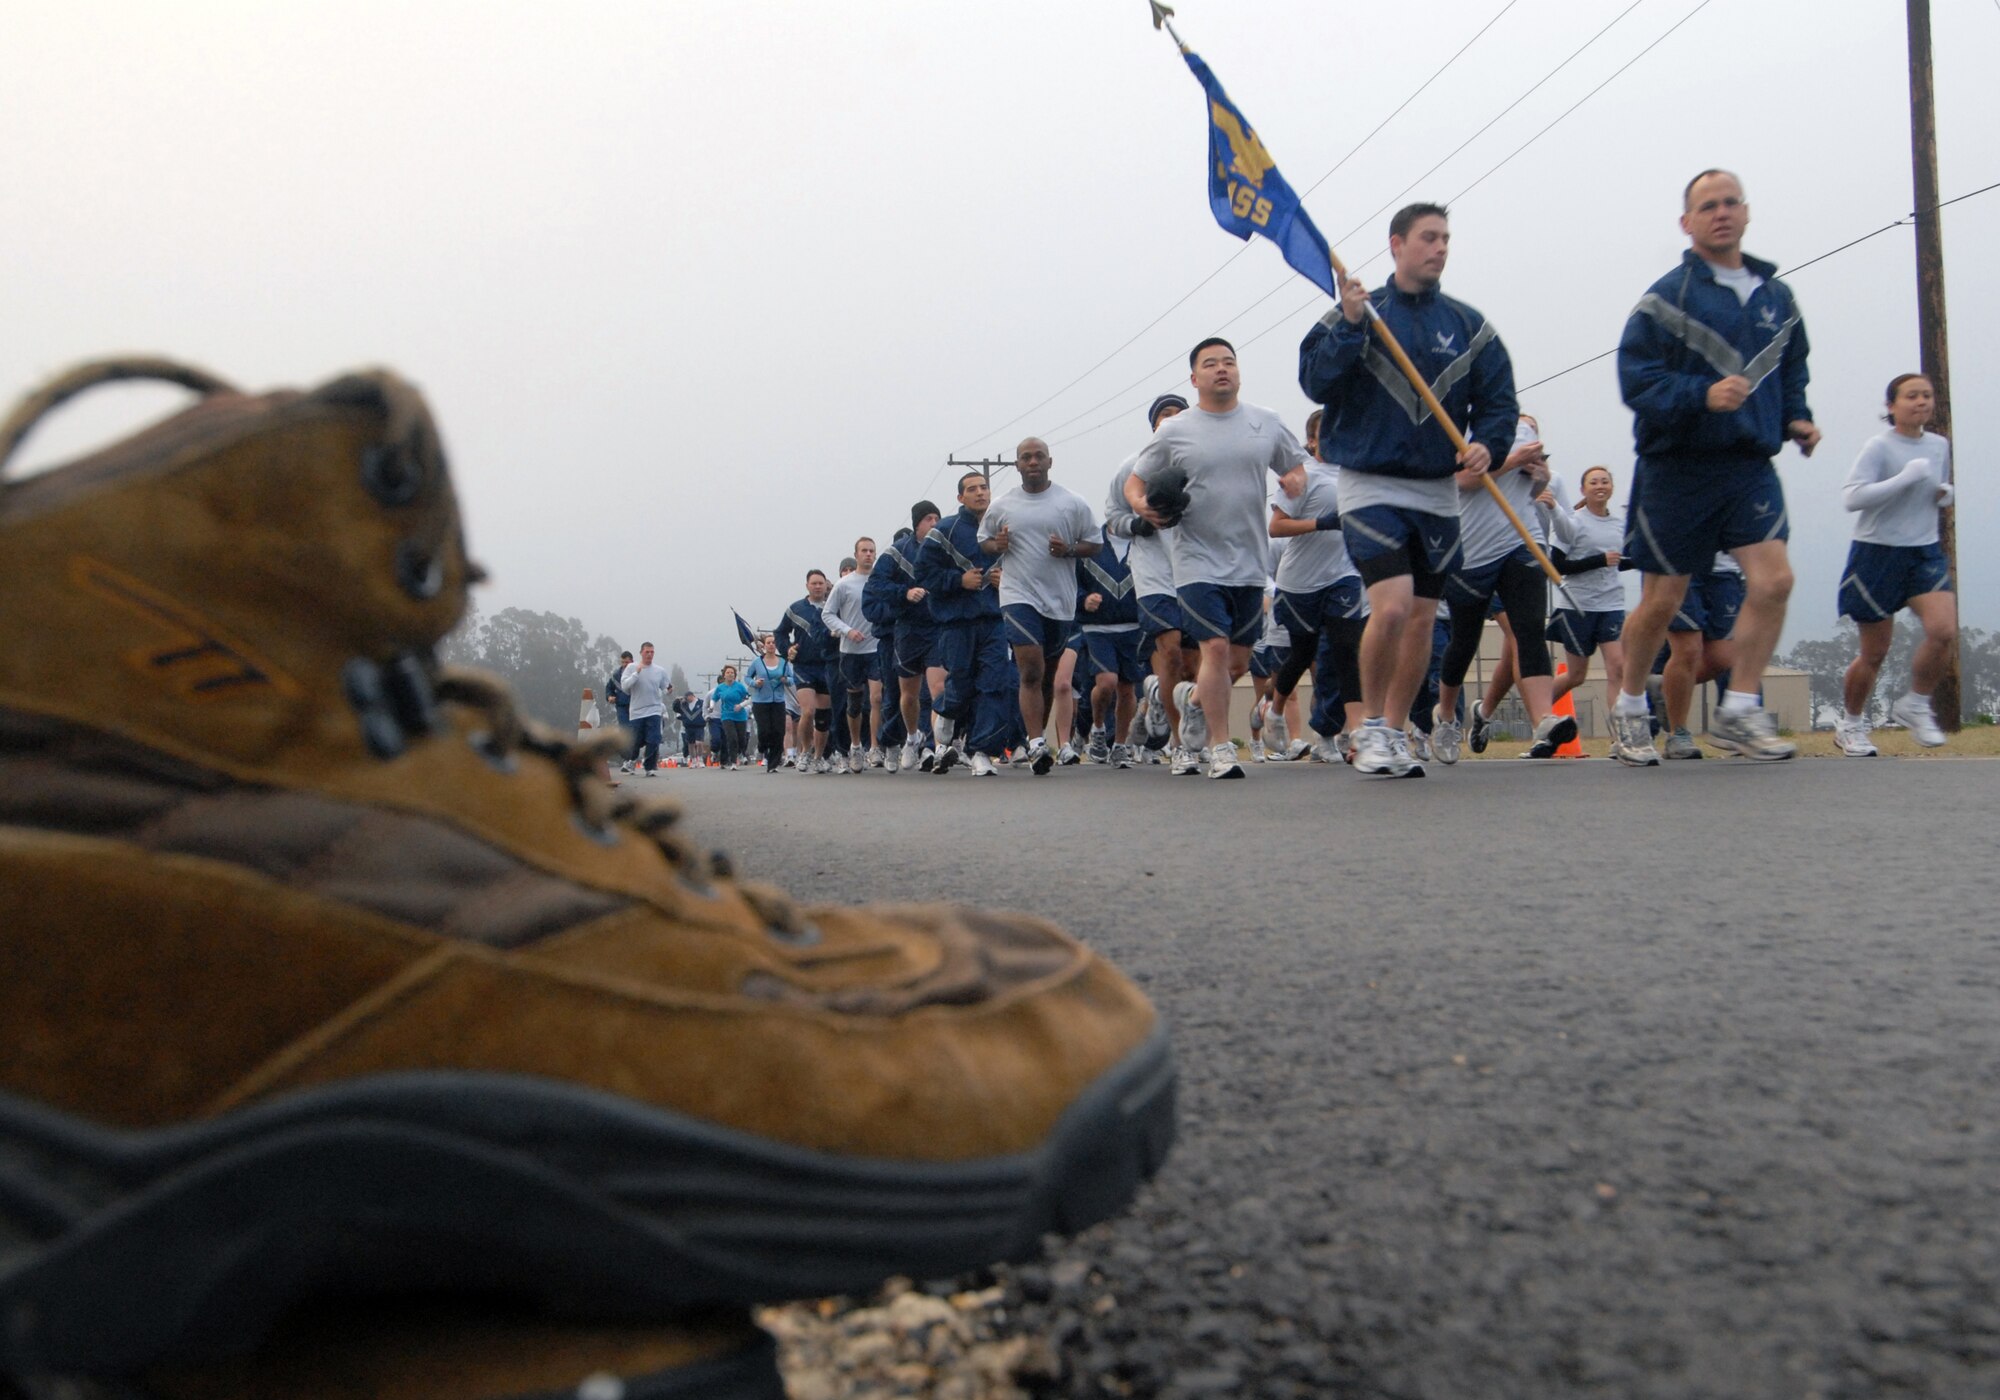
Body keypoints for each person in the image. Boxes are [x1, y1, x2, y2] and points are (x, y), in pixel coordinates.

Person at [1299, 201, 1519, 778]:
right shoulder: (1358, 313)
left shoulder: (1471, 327)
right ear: (1396, 244)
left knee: (1423, 616)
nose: (1440, 247)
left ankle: (1395, 730)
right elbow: (1314, 379)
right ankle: (1368, 726)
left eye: (1446, 238)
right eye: (1428, 237)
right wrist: (1349, 326)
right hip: (1370, 483)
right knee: (1391, 605)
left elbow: (1498, 404)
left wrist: (1488, 446)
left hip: (1437, 490)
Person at [1608, 168, 1818, 765]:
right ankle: (1627, 706)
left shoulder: (1776, 298)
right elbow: (1637, 380)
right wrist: (1701, 395)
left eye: (1730, 203)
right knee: (1662, 602)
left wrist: (1796, 418)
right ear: (1687, 222)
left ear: (1746, 213)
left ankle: (1740, 710)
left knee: (1775, 579)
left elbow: (1792, 370)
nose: (1721, 213)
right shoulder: (1666, 298)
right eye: (1707, 206)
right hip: (1677, 465)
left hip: (1748, 463)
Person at [1128, 338, 1307, 780]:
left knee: (1236, 664)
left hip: (1249, 560)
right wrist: (1141, 506)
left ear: (1239, 372)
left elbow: (1295, 465)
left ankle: (1190, 701)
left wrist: (1293, 480)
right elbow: (1136, 481)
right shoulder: (1176, 430)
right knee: (1214, 646)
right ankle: (1221, 746)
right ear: (1194, 379)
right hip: (1195, 559)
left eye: (1229, 362)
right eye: (1210, 364)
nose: (1221, 369)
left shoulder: (1265, 423)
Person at [1430, 414, 1575, 763]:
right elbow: (1461, 481)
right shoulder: (1453, 431)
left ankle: (1543, 719)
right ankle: (1446, 715)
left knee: (1529, 631)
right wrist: (1512, 462)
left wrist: (1539, 479)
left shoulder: (1521, 430)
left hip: (1521, 540)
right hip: (1471, 551)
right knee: (1464, 641)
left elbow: (1529, 489)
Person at [1836, 371, 1956, 754]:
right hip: (1876, 552)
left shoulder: (1939, 445)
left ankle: (1916, 704)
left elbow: (1934, 491)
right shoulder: (1879, 446)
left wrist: (1942, 493)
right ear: (1892, 406)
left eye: (1926, 396)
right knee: (1875, 652)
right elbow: (1852, 498)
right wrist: (1904, 478)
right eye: (1911, 396)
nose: (1921, 402)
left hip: (1923, 550)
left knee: (1943, 631)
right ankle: (1850, 724)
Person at [980, 437, 1098, 775]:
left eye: (1039, 457)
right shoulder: (1003, 504)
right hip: (1018, 594)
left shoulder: (1071, 503)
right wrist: (997, 544)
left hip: (1059, 601)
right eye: (1025, 457)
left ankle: (1039, 738)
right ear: (1016, 464)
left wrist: (1069, 550)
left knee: (1045, 675)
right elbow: (984, 541)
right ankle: (1034, 741)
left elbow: (1095, 544)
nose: (1033, 462)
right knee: (1029, 669)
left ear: (1050, 462)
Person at [1267, 427, 1367, 759]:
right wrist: (1321, 523)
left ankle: (1357, 734)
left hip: (1344, 576)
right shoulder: (1301, 476)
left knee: (1346, 651)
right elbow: (1276, 527)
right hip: (1299, 582)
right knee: (1301, 655)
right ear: (1311, 440)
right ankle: (1275, 710)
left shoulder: (1356, 473)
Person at [1107, 395, 1193, 762]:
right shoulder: (1133, 467)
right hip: (1154, 572)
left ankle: (1158, 697)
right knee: (1170, 649)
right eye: (1164, 416)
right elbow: (1112, 516)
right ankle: (1180, 744)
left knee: (1195, 667)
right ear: (1153, 425)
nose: (1171, 421)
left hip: (1197, 569)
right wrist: (1137, 524)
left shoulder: (1201, 463)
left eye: (1179, 415)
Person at [919, 471, 1015, 777]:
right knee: (960, 683)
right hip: (956, 623)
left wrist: (1007, 580)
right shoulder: (944, 531)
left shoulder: (1004, 529)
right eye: (972, 489)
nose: (980, 493)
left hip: (995, 621)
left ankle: (981, 751)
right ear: (960, 498)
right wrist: (957, 580)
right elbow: (923, 573)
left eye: (984, 488)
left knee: (994, 684)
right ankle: (945, 714)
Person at [866, 503, 943, 771]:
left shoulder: (943, 547)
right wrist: (905, 593)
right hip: (907, 630)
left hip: (937, 627)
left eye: (937, 518)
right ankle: (912, 738)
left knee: (937, 690)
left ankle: (936, 747)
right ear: (916, 524)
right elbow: (875, 584)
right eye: (928, 518)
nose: (933, 523)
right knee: (907, 696)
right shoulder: (897, 552)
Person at [1547, 465, 1628, 715]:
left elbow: (1623, 560)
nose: (1600, 486)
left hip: (1612, 604)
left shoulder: (1619, 524)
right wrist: (1599, 560)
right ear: (1583, 489)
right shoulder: (1572, 522)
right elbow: (1557, 566)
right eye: (1594, 482)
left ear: (1612, 487)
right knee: (1576, 675)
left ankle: (1620, 738)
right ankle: (1537, 709)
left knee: (1618, 668)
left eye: (1605, 481)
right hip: (1578, 605)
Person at [1076, 518, 1148, 767]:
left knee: (1128, 690)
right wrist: (1083, 600)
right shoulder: (1090, 544)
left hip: (1133, 627)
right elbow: (1071, 582)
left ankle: (1119, 745)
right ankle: (1097, 730)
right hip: (1097, 628)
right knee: (1106, 683)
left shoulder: (1142, 543)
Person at [820, 549, 883, 772]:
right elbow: (827, 615)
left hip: (875, 648)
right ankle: (853, 746)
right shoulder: (844, 585)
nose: (868, 554)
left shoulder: (879, 579)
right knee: (852, 704)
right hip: (849, 652)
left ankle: (874, 747)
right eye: (864, 551)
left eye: (872, 551)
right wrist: (846, 631)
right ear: (857, 555)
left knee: (876, 698)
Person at [774, 568, 836, 773]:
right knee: (807, 711)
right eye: (814, 583)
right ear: (807, 585)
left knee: (823, 717)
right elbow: (780, 633)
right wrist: (787, 649)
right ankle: (804, 753)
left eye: (821, 583)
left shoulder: (833, 606)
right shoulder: (796, 609)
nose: (818, 587)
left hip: (827, 665)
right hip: (803, 667)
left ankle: (819, 756)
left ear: (826, 586)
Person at [617, 642, 673, 777]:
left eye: (652, 652)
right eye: (647, 652)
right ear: (641, 653)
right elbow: (625, 686)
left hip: (654, 709)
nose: (649, 654)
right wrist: (637, 673)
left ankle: (649, 766)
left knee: (654, 738)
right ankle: (631, 761)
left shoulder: (659, 670)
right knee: (637, 740)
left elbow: (665, 688)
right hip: (637, 711)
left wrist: (669, 690)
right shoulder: (631, 667)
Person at [745, 635, 794, 773]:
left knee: (779, 732)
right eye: (769, 643)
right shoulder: (757, 662)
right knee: (765, 730)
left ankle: (773, 763)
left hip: (778, 700)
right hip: (760, 701)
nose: (771, 645)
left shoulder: (783, 662)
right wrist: (755, 683)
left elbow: (791, 679)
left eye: (773, 642)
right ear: (764, 645)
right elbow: (747, 677)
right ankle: (762, 746)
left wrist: (786, 680)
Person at [711, 664, 750, 769]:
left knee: (742, 738)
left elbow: (750, 698)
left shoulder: (740, 686)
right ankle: (733, 762)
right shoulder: (720, 688)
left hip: (740, 715)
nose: (730, 674)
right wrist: (711, 707)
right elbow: (713, 699)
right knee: (732, 738)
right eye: (728, 672)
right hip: (726, 715)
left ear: (735, 675)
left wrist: (741, 705)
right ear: (724, 675)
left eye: (732, 673)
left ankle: (741, 753)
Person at [605, 649, 634, 773]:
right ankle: (627, 760)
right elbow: (609, 689)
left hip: (636, 706)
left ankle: (633, 757)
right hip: (622, 706)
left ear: (632, 662)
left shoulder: (638, 672)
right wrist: (609, 696)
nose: (624, 665)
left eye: (627, 662)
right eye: (622, 662)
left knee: (636, 733)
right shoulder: (616, 675)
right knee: (625, 731)